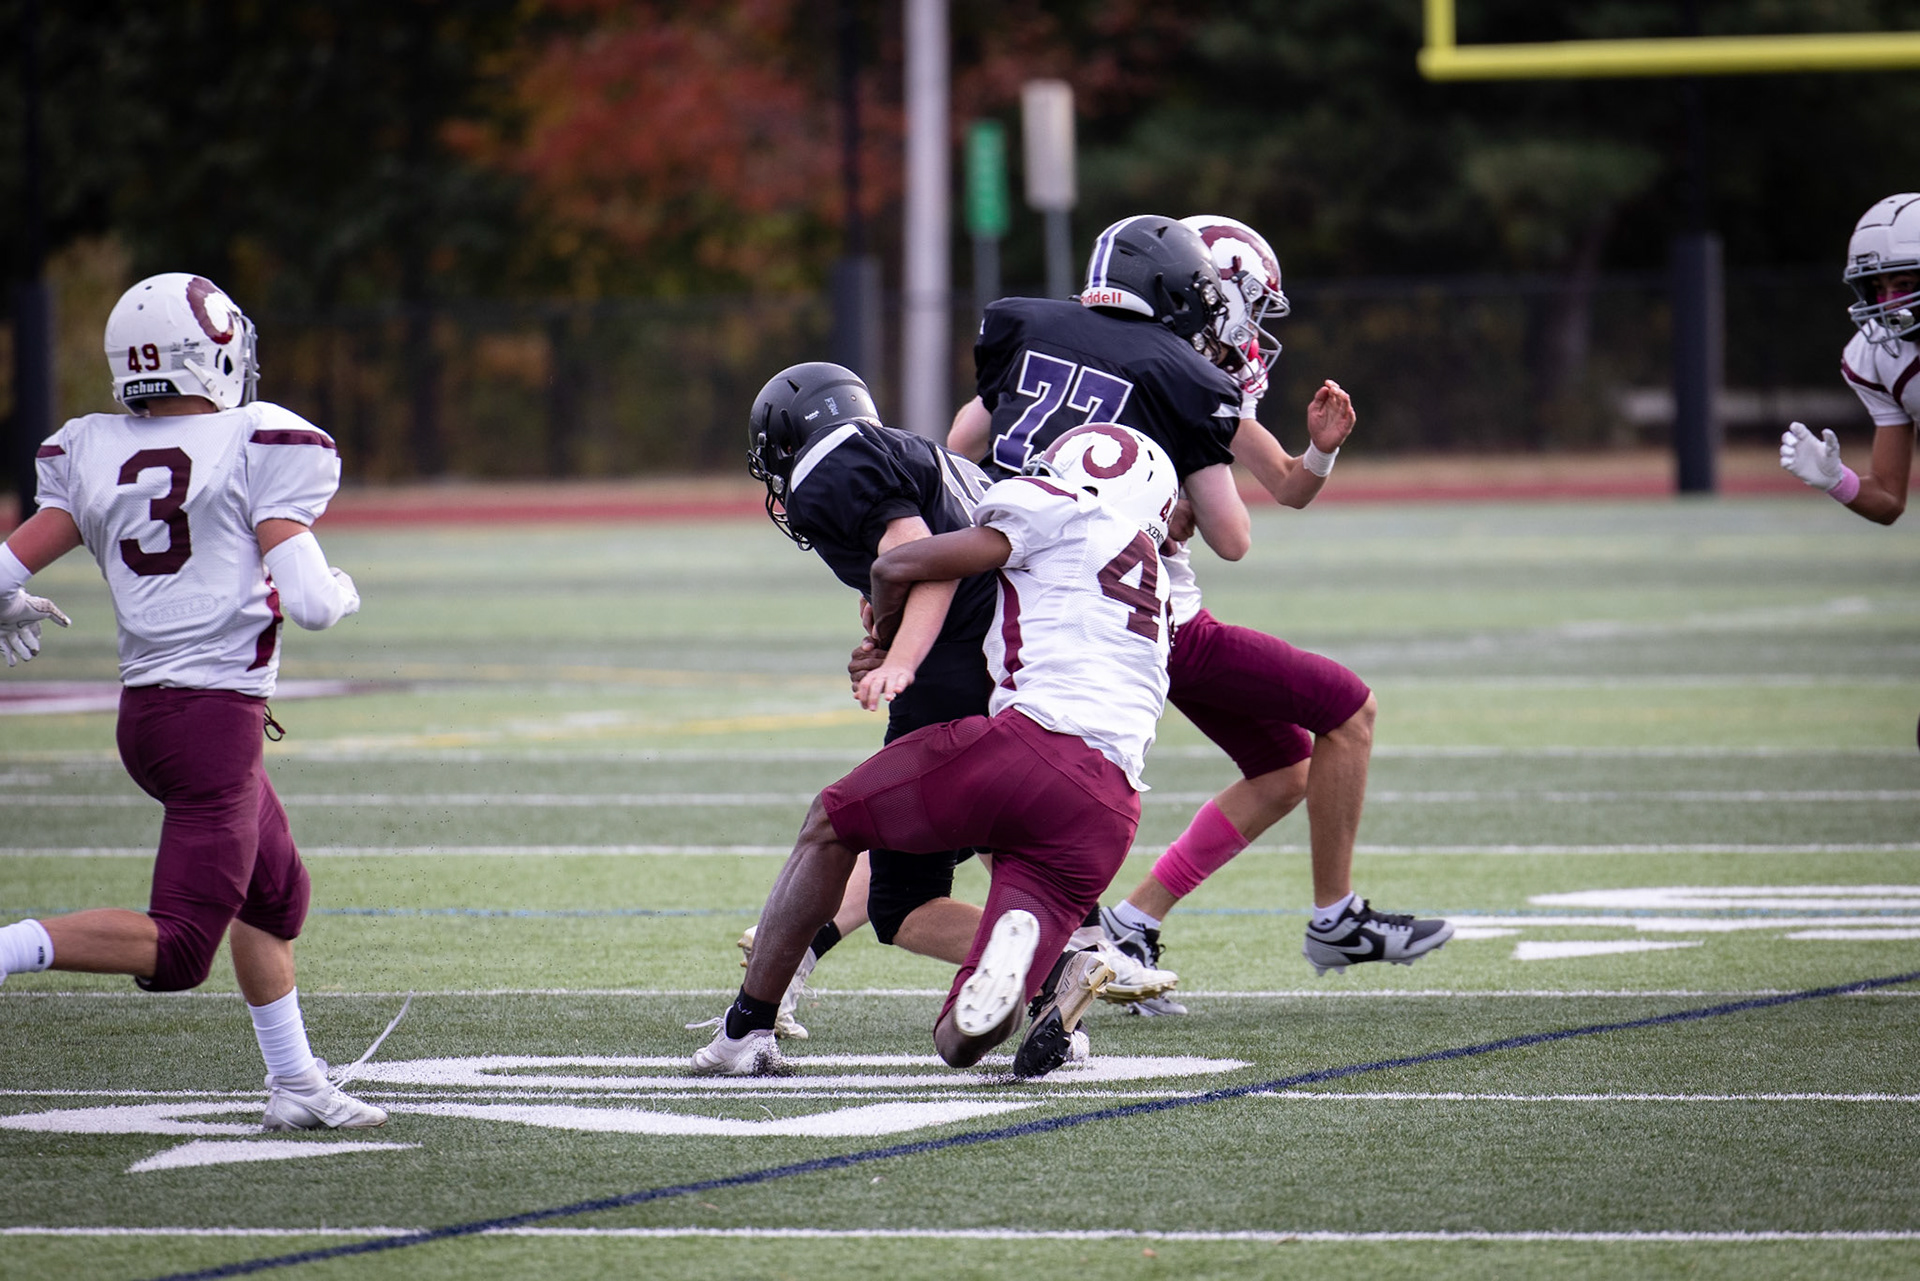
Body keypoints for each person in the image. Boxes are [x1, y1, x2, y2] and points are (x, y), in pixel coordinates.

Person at [949, 214, 1451, 1006]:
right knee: (1346, 709)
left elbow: (966, 445)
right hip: (1146, 616)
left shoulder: (1048, 337)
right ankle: (1333, 916)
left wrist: (1319, 450)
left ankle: (1131, 924)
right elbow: (1235, 537)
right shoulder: (1181, 376)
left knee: (1283, 769)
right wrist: (1153, 502)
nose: (1245, 321)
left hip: (1030, 601)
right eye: (1236, 299)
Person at [0, 273, 386, 1132]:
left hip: (153, 717)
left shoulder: (92, 447)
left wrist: (6, 601)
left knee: (275, 896)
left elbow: (3, 568)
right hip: (211, 724)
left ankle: (295, 1081)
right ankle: (9, 946)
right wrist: (343, 589)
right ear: (210, 353)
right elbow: (312, 603)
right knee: (179, 948)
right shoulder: (255, 440)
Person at [693, 423, 1180, 1079]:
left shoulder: (1058, 505)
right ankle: (1037, 972)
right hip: (1110, 810)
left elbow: (900, 564)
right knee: (957, 1041)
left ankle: (745, 1030)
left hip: (1032, 748)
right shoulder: (1157, 584)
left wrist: (888, 643)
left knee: (832, 821)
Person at [1780, 191, 1917, 524]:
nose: (1887, 302)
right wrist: (1838, 481)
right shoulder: (1880, 355)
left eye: (1902, 284)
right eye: (1877, 288)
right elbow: (1888, 499)